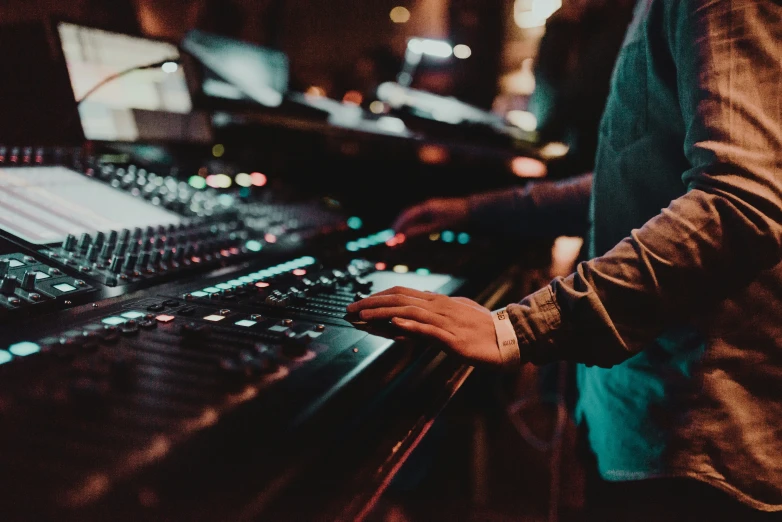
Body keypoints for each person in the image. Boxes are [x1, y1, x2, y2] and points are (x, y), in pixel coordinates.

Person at [348, 0, 782, 520]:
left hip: (692, 439)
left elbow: (740, 203)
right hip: (651, 418)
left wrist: (516, 329)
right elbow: (641, 179)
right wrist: (478, 211)